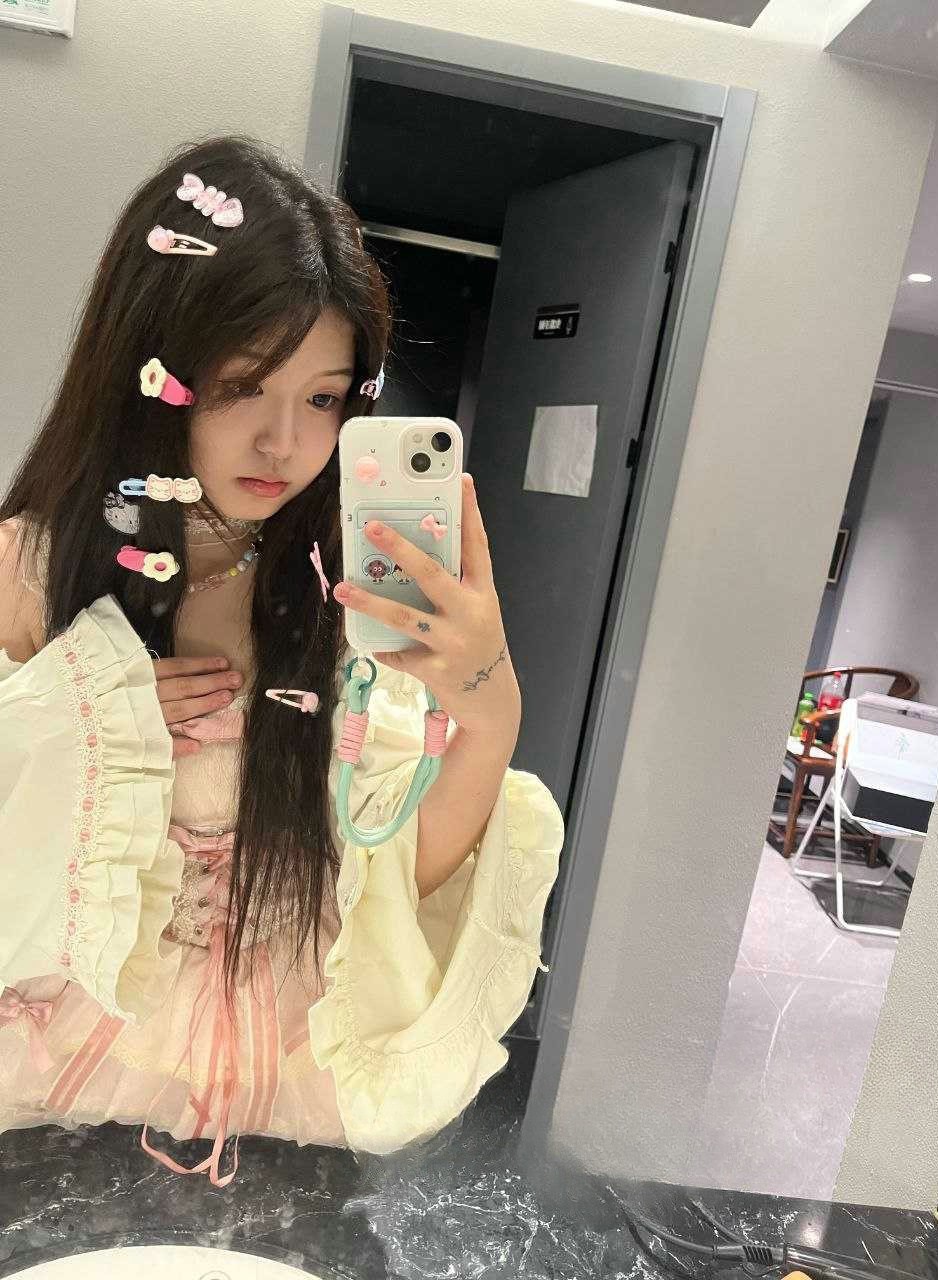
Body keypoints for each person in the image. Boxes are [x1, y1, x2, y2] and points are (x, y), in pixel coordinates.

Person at [0, 135, 564, 1185]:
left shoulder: (348, 586)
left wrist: (488, 709)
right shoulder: (31, 569)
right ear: (149, 369)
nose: (284, 444)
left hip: (288, 1077)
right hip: (63, 1070)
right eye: (242, 387)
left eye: (323, 398)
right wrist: (74, 727)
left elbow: (395, 871)